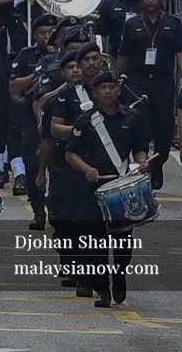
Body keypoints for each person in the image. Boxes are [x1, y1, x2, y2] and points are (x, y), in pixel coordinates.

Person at [64, 71, 150, 308]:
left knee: (123, 242)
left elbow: (139, 148)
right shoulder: (85, 120)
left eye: (112, 87)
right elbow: (70, 153)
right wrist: (86, 169)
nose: (108, 91)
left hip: (121, 186)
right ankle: (102, 290)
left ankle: (119, 274)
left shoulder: (132, 117)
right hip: (93, 187)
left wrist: (142, 162)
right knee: (94, 243)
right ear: (95, 92)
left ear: (119, 90)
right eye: (103, 88)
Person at [116, 0, 182, 189]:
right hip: (137, 81)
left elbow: (179, 55)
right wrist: (118, 80)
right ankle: (142, 165)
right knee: (139, 123)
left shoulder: (173, 23)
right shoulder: (132, 23)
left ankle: (158, 162)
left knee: (164, 126)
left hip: (163, 81)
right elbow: (123, 55)